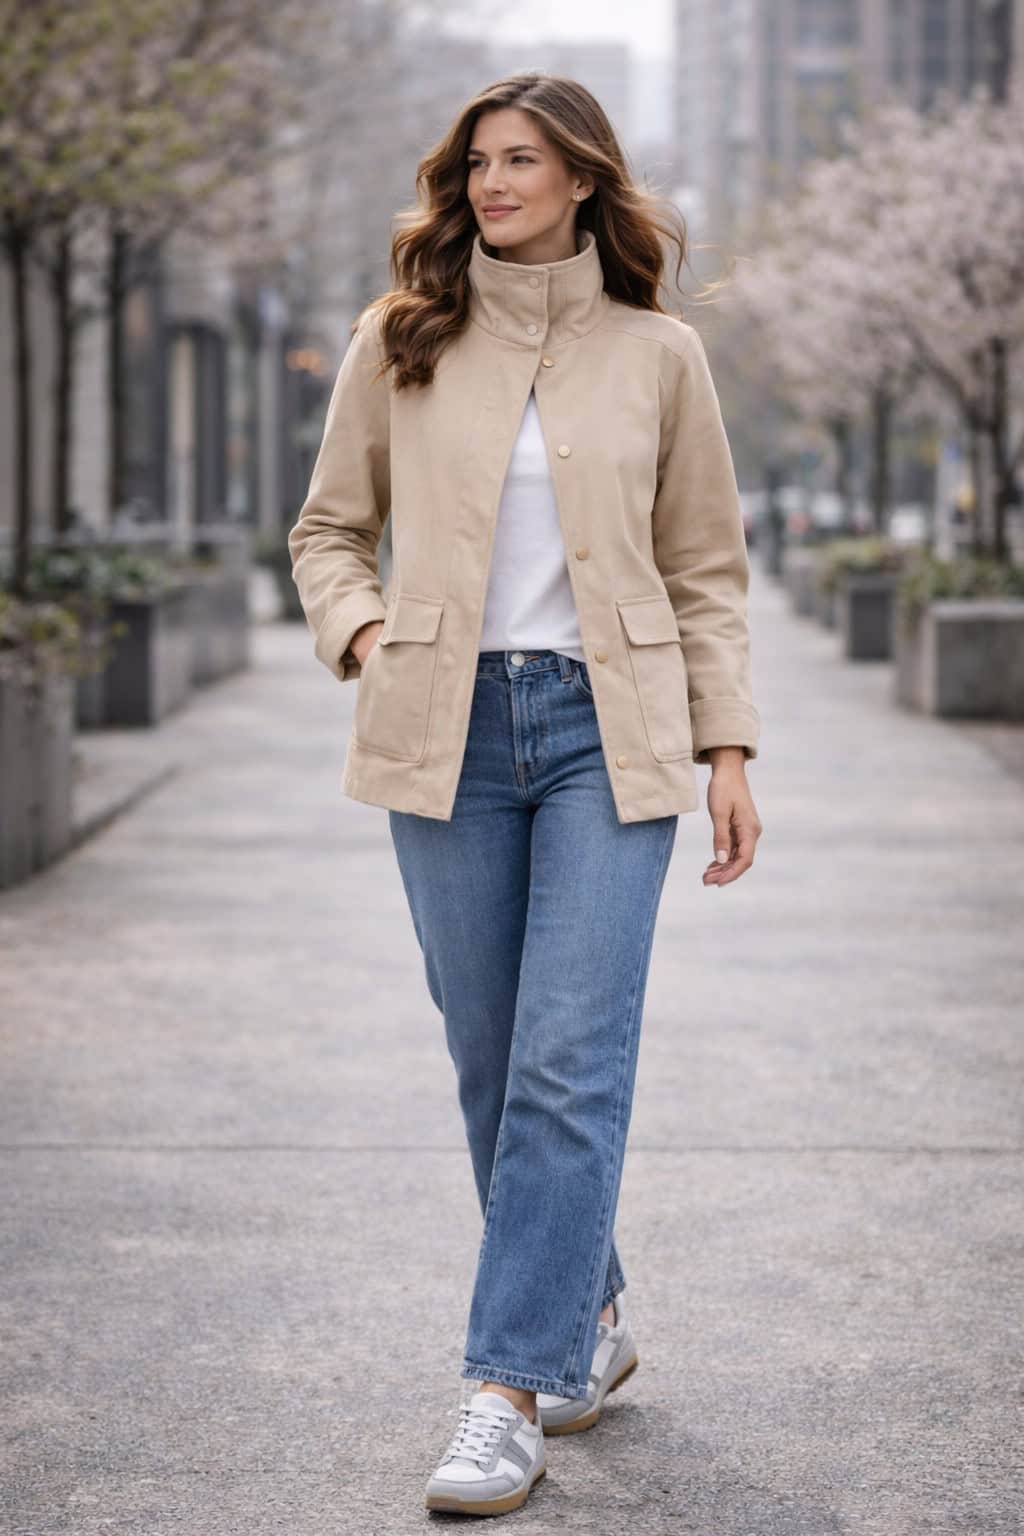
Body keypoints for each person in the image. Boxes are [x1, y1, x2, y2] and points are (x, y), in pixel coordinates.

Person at [288, 71, 763, 1518]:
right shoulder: (404, 337)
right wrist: (366, 635)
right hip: (445, 728)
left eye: (523, 161)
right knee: (494, 1060)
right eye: (479, 161)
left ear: (581, 181)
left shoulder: (660, 352)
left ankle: (504, 1391)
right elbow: (327, 532)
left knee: (569, 1058)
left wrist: (728, 746)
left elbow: (706, 572)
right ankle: (589, 1320)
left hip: (606, 733)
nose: (492, 183)